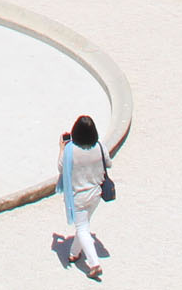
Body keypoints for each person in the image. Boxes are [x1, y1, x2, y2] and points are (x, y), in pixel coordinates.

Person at [57, 113, 110, 280]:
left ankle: (94, 264)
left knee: (82, 228)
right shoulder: (100, 146)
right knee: (84, 226)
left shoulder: (70, 151)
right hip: (95, 194)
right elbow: (108, 163)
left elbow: (60, 168)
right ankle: (74, 253)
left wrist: (62, 149)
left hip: (78, 196)